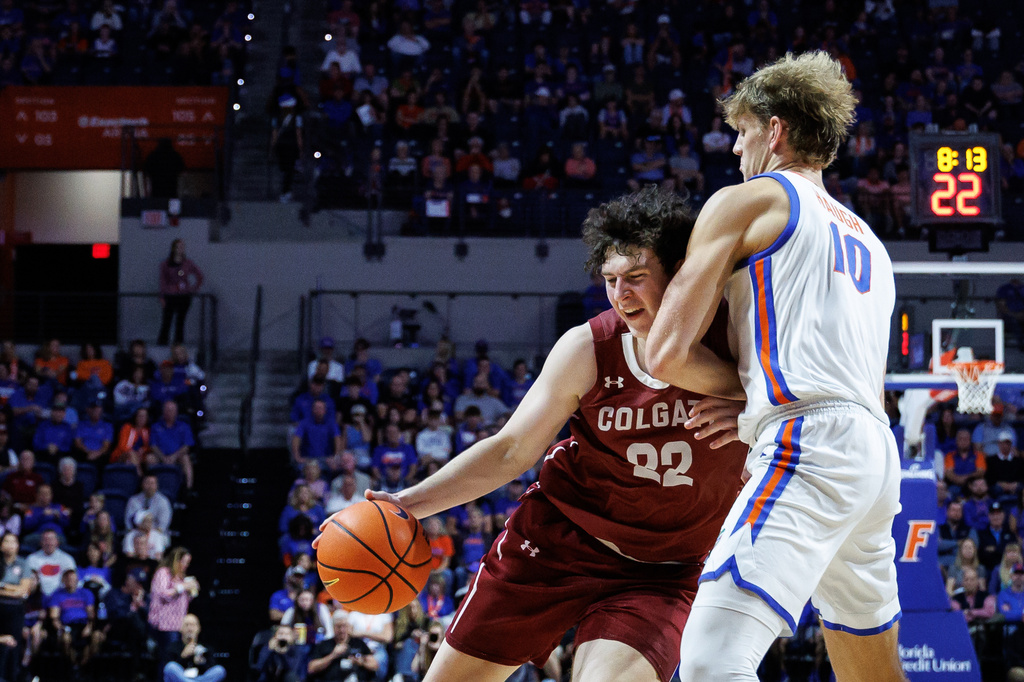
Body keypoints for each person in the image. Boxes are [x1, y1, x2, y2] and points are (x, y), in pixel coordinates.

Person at [315, 186, 748, 682]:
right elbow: (509, 450)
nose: (621, 294)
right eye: (610, 280)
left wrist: (756, 413)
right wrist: (407, 503)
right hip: (560, 540)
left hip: (663, 571)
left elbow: (815, 401)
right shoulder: (588, 348)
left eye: (636, 277)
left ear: (678, 274)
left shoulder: (737, 335)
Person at [645, 52, 904, 681]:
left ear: (776, 131)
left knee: (709, 661)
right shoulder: (871, 240)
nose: (736, 149)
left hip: (806, 444)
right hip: (873, 456)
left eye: (742, 131)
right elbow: (857, 384)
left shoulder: (749, 200)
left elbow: (664, 353)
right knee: (871, 671)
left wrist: (745, 391)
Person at [149, 547, 199, 668]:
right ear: (176, 561)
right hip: (164, 625)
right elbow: (164, 594)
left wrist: (192, 590)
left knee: (175, 659)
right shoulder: (163, 573)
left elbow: (183, 601)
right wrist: (183, 586)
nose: (186, 565)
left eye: (188, 563)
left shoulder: (180, 578)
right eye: (184, 562)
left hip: (178, 625)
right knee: (167, 659)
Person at [158, 239, 204, 346]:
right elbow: (162, 281)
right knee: (167, 321)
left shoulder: (188, 263)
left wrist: (192, 289)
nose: (181, 249)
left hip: (184, 296)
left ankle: (178, 345)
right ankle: (162, 344)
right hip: (170, 296)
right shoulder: (165, 264)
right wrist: (162, 297)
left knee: (180, 322)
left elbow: (200, 276)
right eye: (178, 247)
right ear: (174, 248)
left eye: (182, 247)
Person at [306, 612, 377, 681]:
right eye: (339, 626)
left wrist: (361, 662)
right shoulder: (324, 645)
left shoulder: (358, 643)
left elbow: (374, 666)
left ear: (349, 626)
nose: (342, 630)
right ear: (333, 628)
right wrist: (333, 655)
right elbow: (311, 668)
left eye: (344, 626)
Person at [164, 613, 226, 682]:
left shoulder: (206, 648)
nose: (190, 629)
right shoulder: (173, 647)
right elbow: (168, 671)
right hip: (181, 678)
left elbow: (212, 668)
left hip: (200, 678)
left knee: (220, 670)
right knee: (170, 667)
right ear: (180, 628)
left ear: (198, 628)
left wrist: (202, 663)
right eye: (186, 625)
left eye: (193, 625)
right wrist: (183, 656)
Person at [149, 400, 195, 491]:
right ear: (163, 412)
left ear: (176, 412)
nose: (170, 413)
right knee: (149, 458)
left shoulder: (184, 426)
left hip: (177, 456)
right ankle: (152, 486)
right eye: (167, 410)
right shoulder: (156, 427)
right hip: (160, 455)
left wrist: (173, 457)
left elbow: (187, 446)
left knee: (185, 458)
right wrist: (163, 457)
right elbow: (153, 445)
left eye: (172, 410)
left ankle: (188, 487)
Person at [270, 95, 304, 203]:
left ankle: (286, 192)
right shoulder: (296, 118)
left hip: (282, 146)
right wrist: (300, 149)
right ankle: (286, 192)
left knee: (287, 170)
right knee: (288, 170)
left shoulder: (277, 118)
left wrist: (272, 147)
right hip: (290, 146)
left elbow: (274, 135)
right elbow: (298, 135)